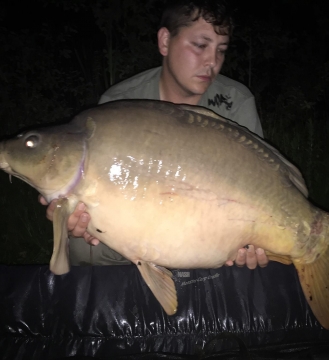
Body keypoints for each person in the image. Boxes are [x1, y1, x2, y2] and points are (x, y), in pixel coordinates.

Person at [40, 0, 268, 270]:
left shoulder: (236, 102)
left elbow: (262, 186)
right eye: (200, 45)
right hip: (141, 221)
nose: (212, 62)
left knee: (256, 260)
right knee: (83, 247)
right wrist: (85, 222)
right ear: (164, 41)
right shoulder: (120, 103)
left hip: (211, 224)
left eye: (221, 50)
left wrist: (252, 241)